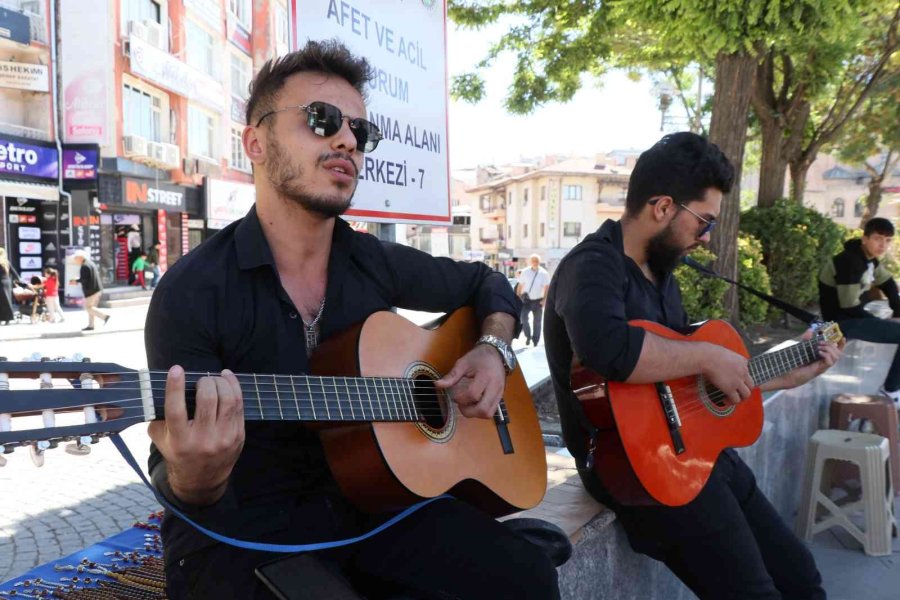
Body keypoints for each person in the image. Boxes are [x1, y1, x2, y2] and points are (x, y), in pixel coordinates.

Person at [144, 40, 559, 600]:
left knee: (525, 578)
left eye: (360, 133)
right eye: (322, 120)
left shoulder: (371, 259)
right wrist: (199, 474)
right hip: (246, 533)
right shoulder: (192, 292)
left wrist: (492, 349)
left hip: (373, 507)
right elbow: (181, 484)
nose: (346, 140)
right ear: (256, 143)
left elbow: (485, 283)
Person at [543, 132, 843, 600]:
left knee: (801, 576)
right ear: (663, 207)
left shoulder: (662, 277)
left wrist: (786, 373)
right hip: (636, 469)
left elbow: (684, 386)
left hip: (698, 454)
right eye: (703, 222)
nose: (706, 238)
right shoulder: (593, 266)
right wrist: (708, 354)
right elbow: (608, 350)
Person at [819, 217, 900, 406]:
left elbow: (887, 283)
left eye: (887, 240)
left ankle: (893, 389)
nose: (883, 245)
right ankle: (891, 390)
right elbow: (849, 306)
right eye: (878, 239)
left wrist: (897, 312)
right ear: (865, 239)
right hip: (840, 325)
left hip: (850, 319)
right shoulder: (849, 262)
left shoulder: (868, 260)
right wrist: (879, 323)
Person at [515, 254, 550, 346]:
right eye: (533, 260)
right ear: (530, 262)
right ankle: (528, 336)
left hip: (538, 300)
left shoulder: (544, 273)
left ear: (539, 262)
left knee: (537, 322)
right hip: (526, 300)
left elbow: (547, 288)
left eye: (537, 261)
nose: (535, 262)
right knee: (523, 318)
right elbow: (520, 285)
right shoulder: (525, 272)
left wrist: (544, 300)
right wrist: (517, 297)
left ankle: (535, 340)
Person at [71, 250, 109, 331]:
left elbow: (84, 279)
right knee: (92, 308)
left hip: (91, 291)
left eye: (76, 258)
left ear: (81, 257)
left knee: (88, 307)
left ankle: (104, 316)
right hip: (97, 289)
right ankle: (91, 325)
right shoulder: (91, 263)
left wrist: (76, 281)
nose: (75, 260)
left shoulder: (84, 266)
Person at [0, 246, 22, 325]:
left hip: (1, 283)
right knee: (7, 301)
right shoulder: (6, 262)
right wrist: (19, 280)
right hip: (7, 283)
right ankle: (8, 319)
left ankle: (2, 318)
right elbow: (14, 272)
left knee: (1, 302)